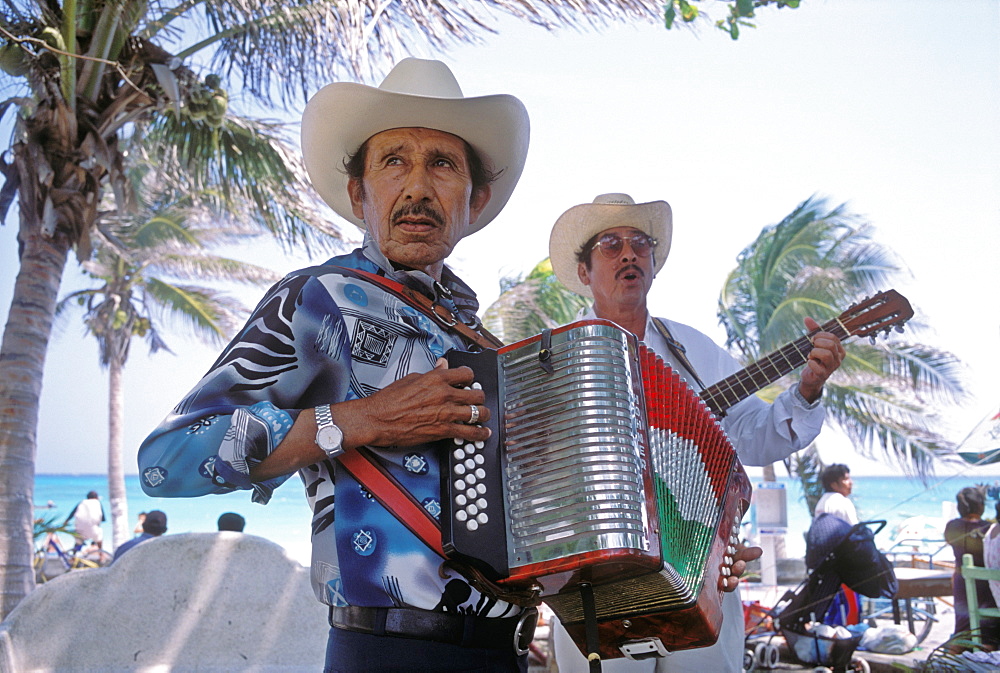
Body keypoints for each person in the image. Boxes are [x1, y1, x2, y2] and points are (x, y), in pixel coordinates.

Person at [137, 57, 532, 673]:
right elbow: (166, 462)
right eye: (394, 161)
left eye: (443, 165)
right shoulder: (317, 299)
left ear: (474, 201)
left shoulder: (484, 341)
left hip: (503, 655)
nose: (418, 188)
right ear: (359, 192)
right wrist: (358, 420)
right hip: (385, 650)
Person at [546, 193, 846, 673]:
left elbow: (755, 434)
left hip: (702, 573)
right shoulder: (554, 362)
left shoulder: (694, 351)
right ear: (584, 272)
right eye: (610, 243)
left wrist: (807, 390)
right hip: (596, 586)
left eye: (640, 243)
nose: (629, 253)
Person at [944, 486, 1000, 646]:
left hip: (962, 584)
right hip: (989, 587)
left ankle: (957, 649)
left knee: (963, 629)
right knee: (990, 631)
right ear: (981, 506)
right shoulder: (990, 530)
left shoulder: (951, 527)